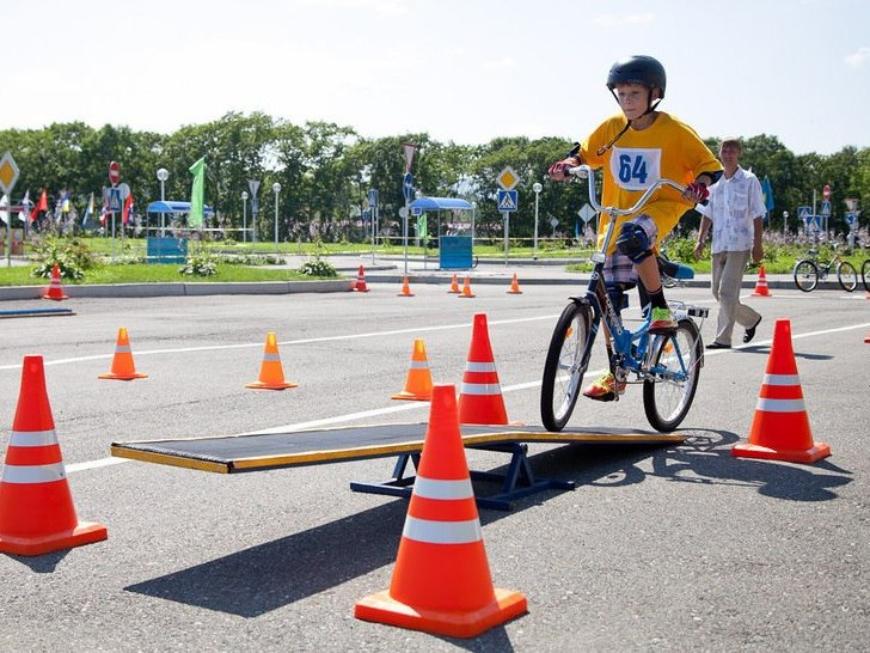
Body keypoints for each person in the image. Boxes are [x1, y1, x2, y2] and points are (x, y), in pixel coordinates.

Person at [548, 55, 723, 401]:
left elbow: (710, 168)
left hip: (660, 207)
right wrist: (568, 164)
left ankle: (659, 308)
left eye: (634, 94)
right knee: (607, 298)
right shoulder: (612, 127)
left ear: (653, 94)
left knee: (636, 237)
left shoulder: (674, 131)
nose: (627, 101)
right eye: (622, 93)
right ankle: (617, 373)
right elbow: (584, 154)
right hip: (616, 213)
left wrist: (700, 185)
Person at [692, 138, 764, 349]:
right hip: (719, 244)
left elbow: (759, 214)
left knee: (727, 292)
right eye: (725, 150)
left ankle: (723, 338)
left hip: (740, 244)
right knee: (718, 293)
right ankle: (751, 319)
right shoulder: (715, 183)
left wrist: (758, 245)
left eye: (733, 150)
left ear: (739, 153)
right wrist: (700, 240)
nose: (728, 153)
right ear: (720, 153)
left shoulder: (750, 180)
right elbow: (707, 213)